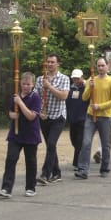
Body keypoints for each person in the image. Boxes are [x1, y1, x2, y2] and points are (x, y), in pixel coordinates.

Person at [0, 72, 42, 198]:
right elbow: (11, 112)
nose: (26, 86)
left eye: (28, 84)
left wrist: (20, 103)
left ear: (33, 85)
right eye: (23, 84)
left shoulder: (35, 98)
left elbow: (31, 116)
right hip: (15, 134)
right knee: (11, 159)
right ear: (20, 83)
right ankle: (6, 188)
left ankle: (30, 187)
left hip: (31, 134)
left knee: (30, 161)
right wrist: (12, 115)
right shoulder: (15, 97)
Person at [75, 57, 111, 179]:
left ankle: (105, 168)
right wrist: (90, 86)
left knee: (106, 144)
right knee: (86, 142)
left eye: (102, 65)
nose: (100, 68)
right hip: (90, 115)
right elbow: (84, 97)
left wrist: (99, 106)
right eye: (98, 66)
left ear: (107, 66)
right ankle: (83, 169)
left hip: (105, 116)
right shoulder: (91, 79)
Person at [35, 53, 70, 185]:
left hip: (58, 116)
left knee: (51, 144)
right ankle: (57, 172)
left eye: (52, 62)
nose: (49, 64)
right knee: (51, 146)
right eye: (48, 62)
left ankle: (45, 174)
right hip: (44, 116)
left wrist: (49, 86)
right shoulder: (40, 79)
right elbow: (37, 98)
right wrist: (39, 112)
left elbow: (63, 96)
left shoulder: (64, 79)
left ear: (58, 64)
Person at [66, 69, 89, 171]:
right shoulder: (69, 89)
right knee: (74, 140)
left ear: (82, 77)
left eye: (78, 78)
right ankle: (80, 158)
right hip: (72, 119)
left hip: (83, 118)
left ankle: (77, 163)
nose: (76, 80)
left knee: (80, 141)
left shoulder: (86, 88)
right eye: (74, 78)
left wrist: (86, 83)